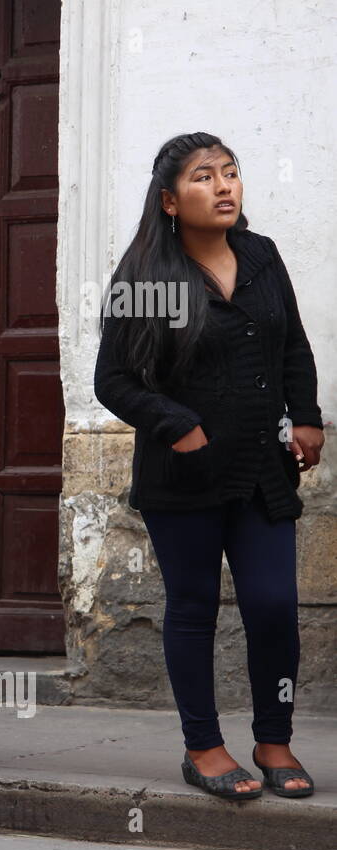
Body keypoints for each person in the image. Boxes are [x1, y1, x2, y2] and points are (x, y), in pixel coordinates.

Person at [94, 132, 322, 799]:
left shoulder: (260, 257)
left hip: (261, 468)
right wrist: (176, 425)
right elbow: (113, 380)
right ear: (170, 199)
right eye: (203, 178)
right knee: (193, 607)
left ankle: (274, 739)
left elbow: (295, 346)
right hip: (183, 477)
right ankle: (204, 747)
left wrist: (306, 415)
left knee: (274, 606)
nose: (224, 186)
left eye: (231, 173)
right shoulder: (147, 279)